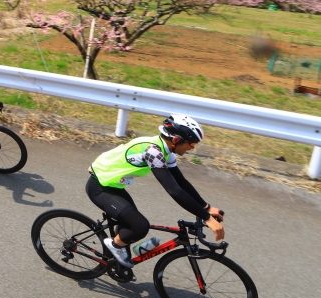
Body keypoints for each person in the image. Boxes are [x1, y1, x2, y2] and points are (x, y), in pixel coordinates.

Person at [87, 114, 224, 269]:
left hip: (113, 185)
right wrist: (206, 218)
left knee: (130, 223)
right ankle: (113, 244)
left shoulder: (166, 151)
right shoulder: (153, 152)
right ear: (176, 140)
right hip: (99, 187)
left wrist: (205, 207)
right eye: (191, 143)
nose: (193, 147)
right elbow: (174, 190)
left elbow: (181, 182)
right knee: (140, 226)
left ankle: (116, 258)